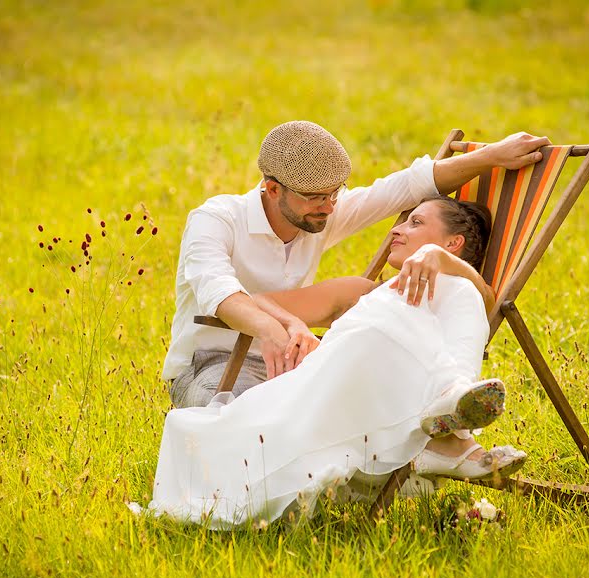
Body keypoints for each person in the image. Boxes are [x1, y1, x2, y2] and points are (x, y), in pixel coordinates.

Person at [142, 198, 526, 527]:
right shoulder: (365, 293)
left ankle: (449, 423)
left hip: (372, 410)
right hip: (330, 393)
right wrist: (293, 324)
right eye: (403, 220)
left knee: (461, 291)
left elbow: (486, 298)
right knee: (395, 304)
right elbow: (260, 300)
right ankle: (453, 432)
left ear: (452, 243)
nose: (397, 230)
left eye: (416, 222)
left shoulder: (461, 294)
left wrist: (438, 259)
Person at [163, 121, 550, 409]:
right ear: (273, 188)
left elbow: (405, 186)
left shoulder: (318, 214)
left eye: (335, 194)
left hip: (296, 365)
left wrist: (491, 155)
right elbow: (217, 290)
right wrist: (278, 328)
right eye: (316, 197)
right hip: (213, 362)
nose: (329, 207)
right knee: (246, 423)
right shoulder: (216, 219)